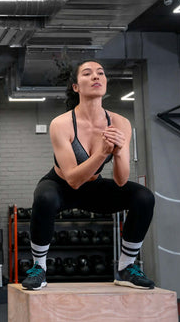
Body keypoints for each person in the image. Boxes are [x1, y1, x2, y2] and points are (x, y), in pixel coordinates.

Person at [22, 60, 155, 290]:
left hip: (95, 187)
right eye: (87, 73)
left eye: (101, 73)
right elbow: (73, 179)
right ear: (76, 86)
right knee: (44, 198)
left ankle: (126, 267)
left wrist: (121, 151)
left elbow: (122, 180)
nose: (96, 77)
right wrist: (103, 152)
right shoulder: (61, 124)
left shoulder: (120, 123)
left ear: (105, 82)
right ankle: (39, 268)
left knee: (144, 197)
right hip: (61, 186)